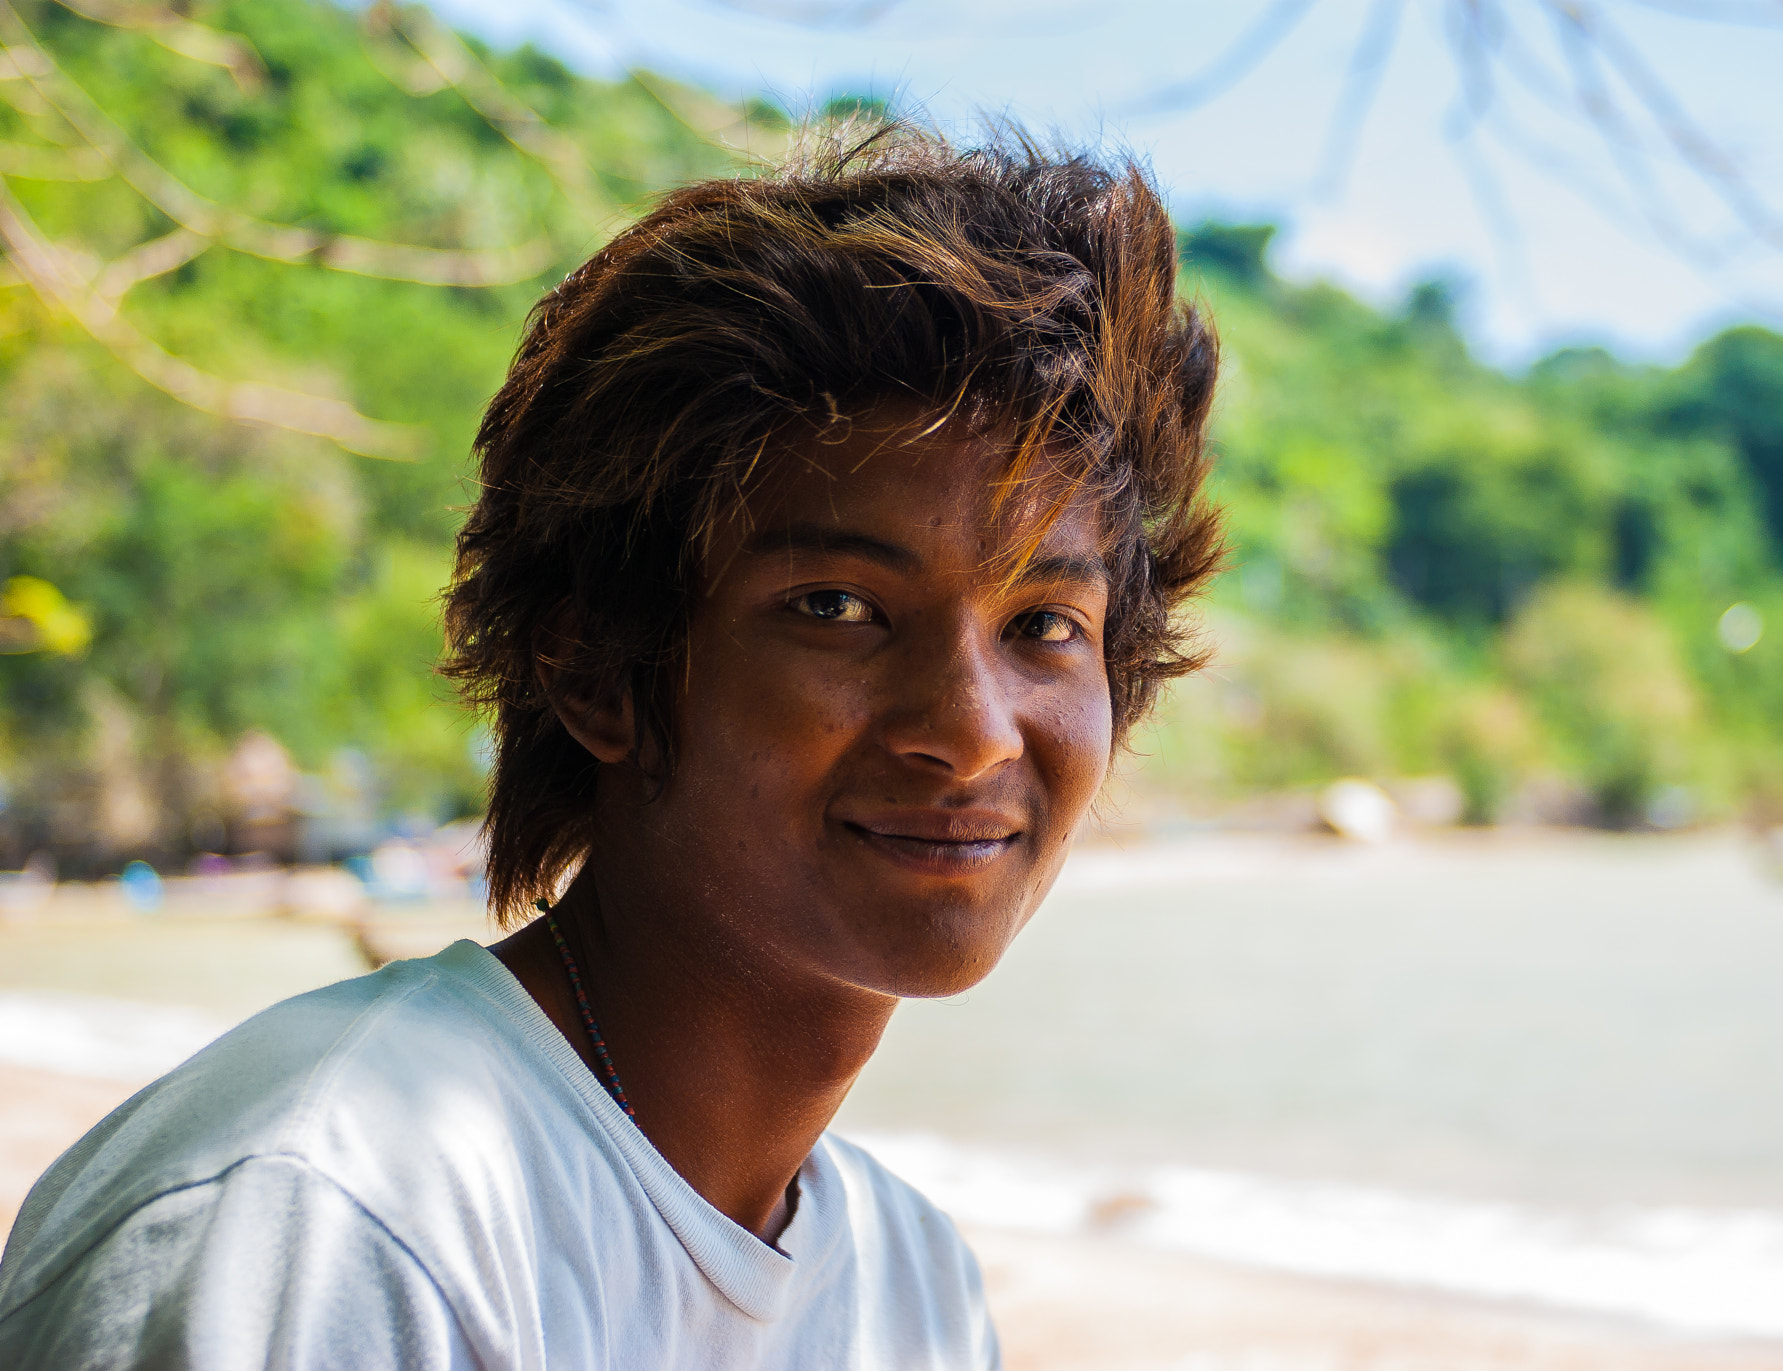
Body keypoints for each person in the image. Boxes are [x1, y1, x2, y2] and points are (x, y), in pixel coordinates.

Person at [0, 123, 1223, 1369]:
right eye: (837, 609)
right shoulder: (336, 1222)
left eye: (1042, 625)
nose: (968, 732)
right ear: (592, 671)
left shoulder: (913, 1292)